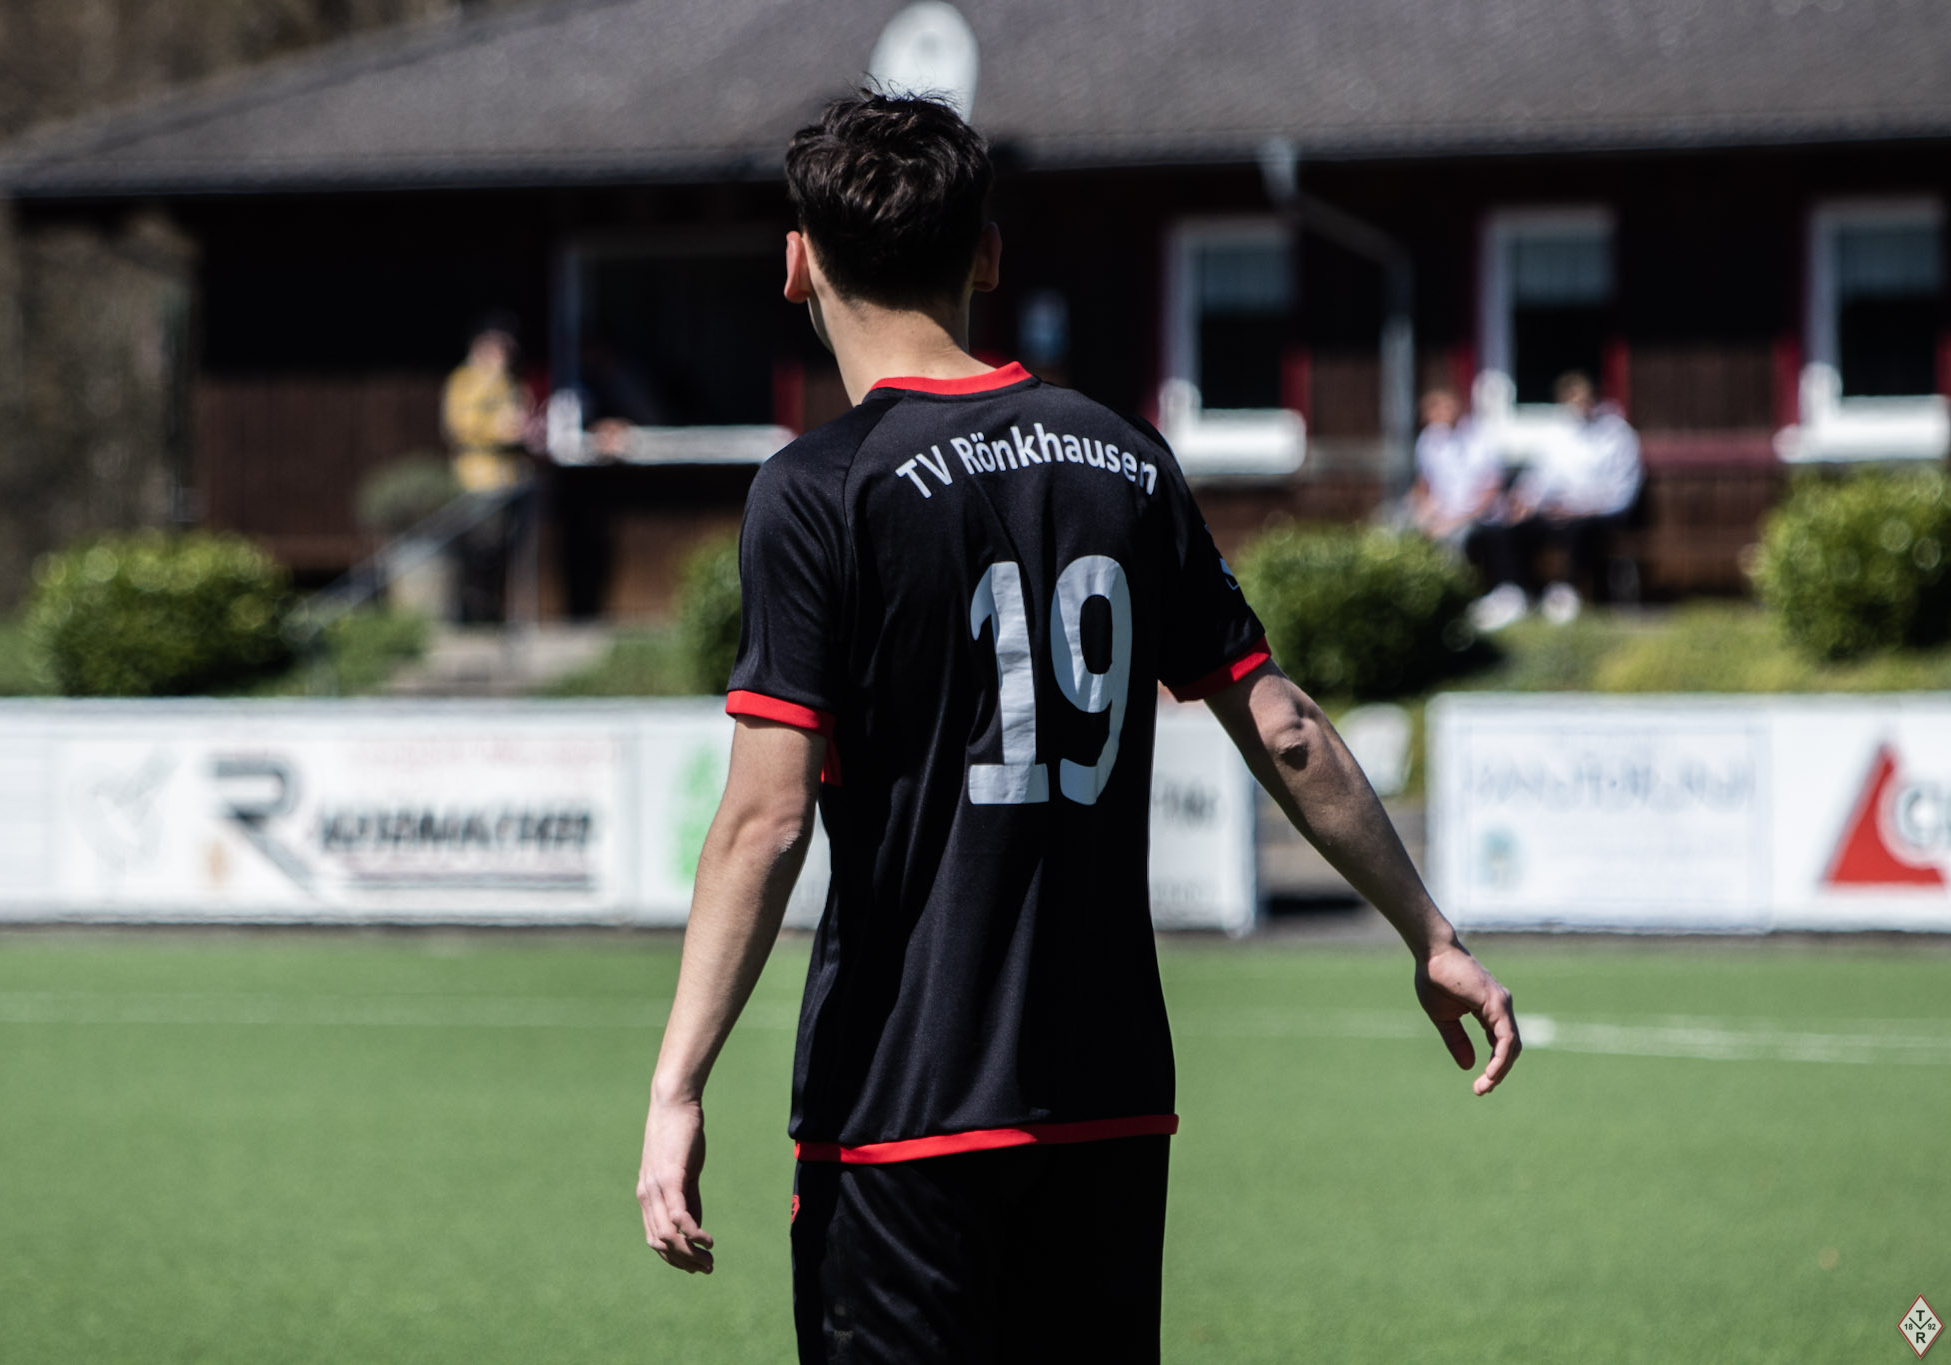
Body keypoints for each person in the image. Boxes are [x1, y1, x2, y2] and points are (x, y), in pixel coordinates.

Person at [635, 92, 1520, 1363]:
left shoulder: (820, 488)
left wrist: (677, 1086)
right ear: (987, 255)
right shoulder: (1124, 455)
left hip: (902, 1106)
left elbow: (766, 821)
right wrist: (1428, 933)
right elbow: (1282, 728)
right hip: (1107, 1103)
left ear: (796, 264)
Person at [1472, 370, 1642, 630]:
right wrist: (1523, 501)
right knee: (1505, 527)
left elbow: (1621, 491)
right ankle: (1513, 592)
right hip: (1559, 511)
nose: (1578, 406)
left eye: (1582, 398)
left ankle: (1566, 593)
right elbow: (1542, 476)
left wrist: (1581, 509)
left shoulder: (1617, 435)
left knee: (1577, 530)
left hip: (1599, 514)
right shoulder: (1559, 434)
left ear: (1594, 398)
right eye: (1570, 400)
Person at [441, 317, 532, 621]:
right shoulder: (464, 381)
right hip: (477, 478)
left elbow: (519, 416)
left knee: (504, 551)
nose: (505, 355)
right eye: (499, 348)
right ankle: (471, 613)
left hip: (509, 478)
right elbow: (459, 425)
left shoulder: (509, 381)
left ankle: (495, 612)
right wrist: (497, 430)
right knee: (478, 549)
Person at [1409, 385, 1502, 551]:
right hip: (1442, 512)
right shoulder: (1428, 439)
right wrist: (1423, 508)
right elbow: (1424, 483)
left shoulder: (1479, 438)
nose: (1439, 414)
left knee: (1454, 539)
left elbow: (1491, 489)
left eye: (1444, 408)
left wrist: (1455, 520)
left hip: (1478, 515)